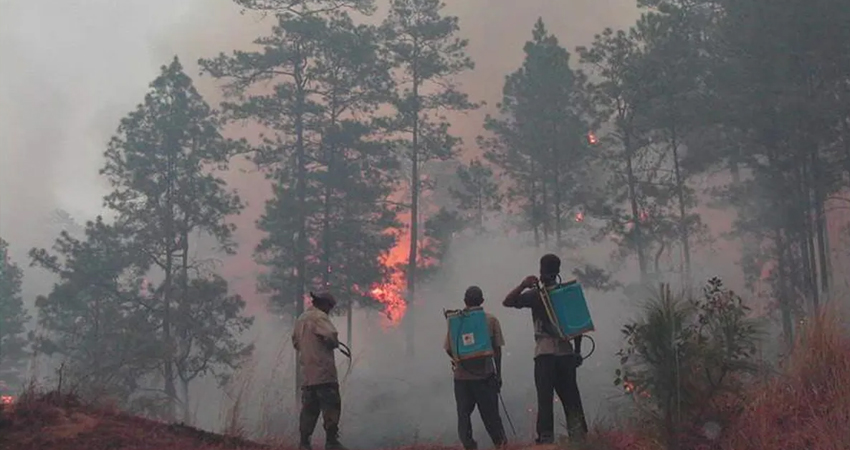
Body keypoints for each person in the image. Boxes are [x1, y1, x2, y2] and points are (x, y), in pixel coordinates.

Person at [502, 254, 588, 444]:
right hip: (566, 354)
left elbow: (507, 302)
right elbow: (578, 326)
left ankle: (546, 436)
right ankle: (579, 434)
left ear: (541, 271)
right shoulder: (567, 293)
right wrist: (577, 351)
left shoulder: (535, 295)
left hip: (544, 354)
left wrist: (523, 284)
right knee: (571, 396)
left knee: (545, 397)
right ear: (558, 271)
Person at [444, 286, 508, 450]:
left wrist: (461, 361)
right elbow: (497, 350)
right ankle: (501, 445)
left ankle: (469, 445)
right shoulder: (491, 320)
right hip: (485, 377)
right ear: (482, 301)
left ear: (465, 301)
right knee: (491, 416)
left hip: (462, 379)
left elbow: (449, 348)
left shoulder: (456, 321)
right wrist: (498, 375)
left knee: (464, 416)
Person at [292, 291, 346, 450]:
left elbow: (295, 343)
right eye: (329, 306)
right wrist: (333, 343)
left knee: (309, 409)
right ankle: (331, 442)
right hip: (324, 373)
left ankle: (304, 443)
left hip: (308, 374)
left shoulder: (301, 319)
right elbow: (330, 334)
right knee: (331, 406)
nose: (329, 310)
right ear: (323, 304)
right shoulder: (319, 317)